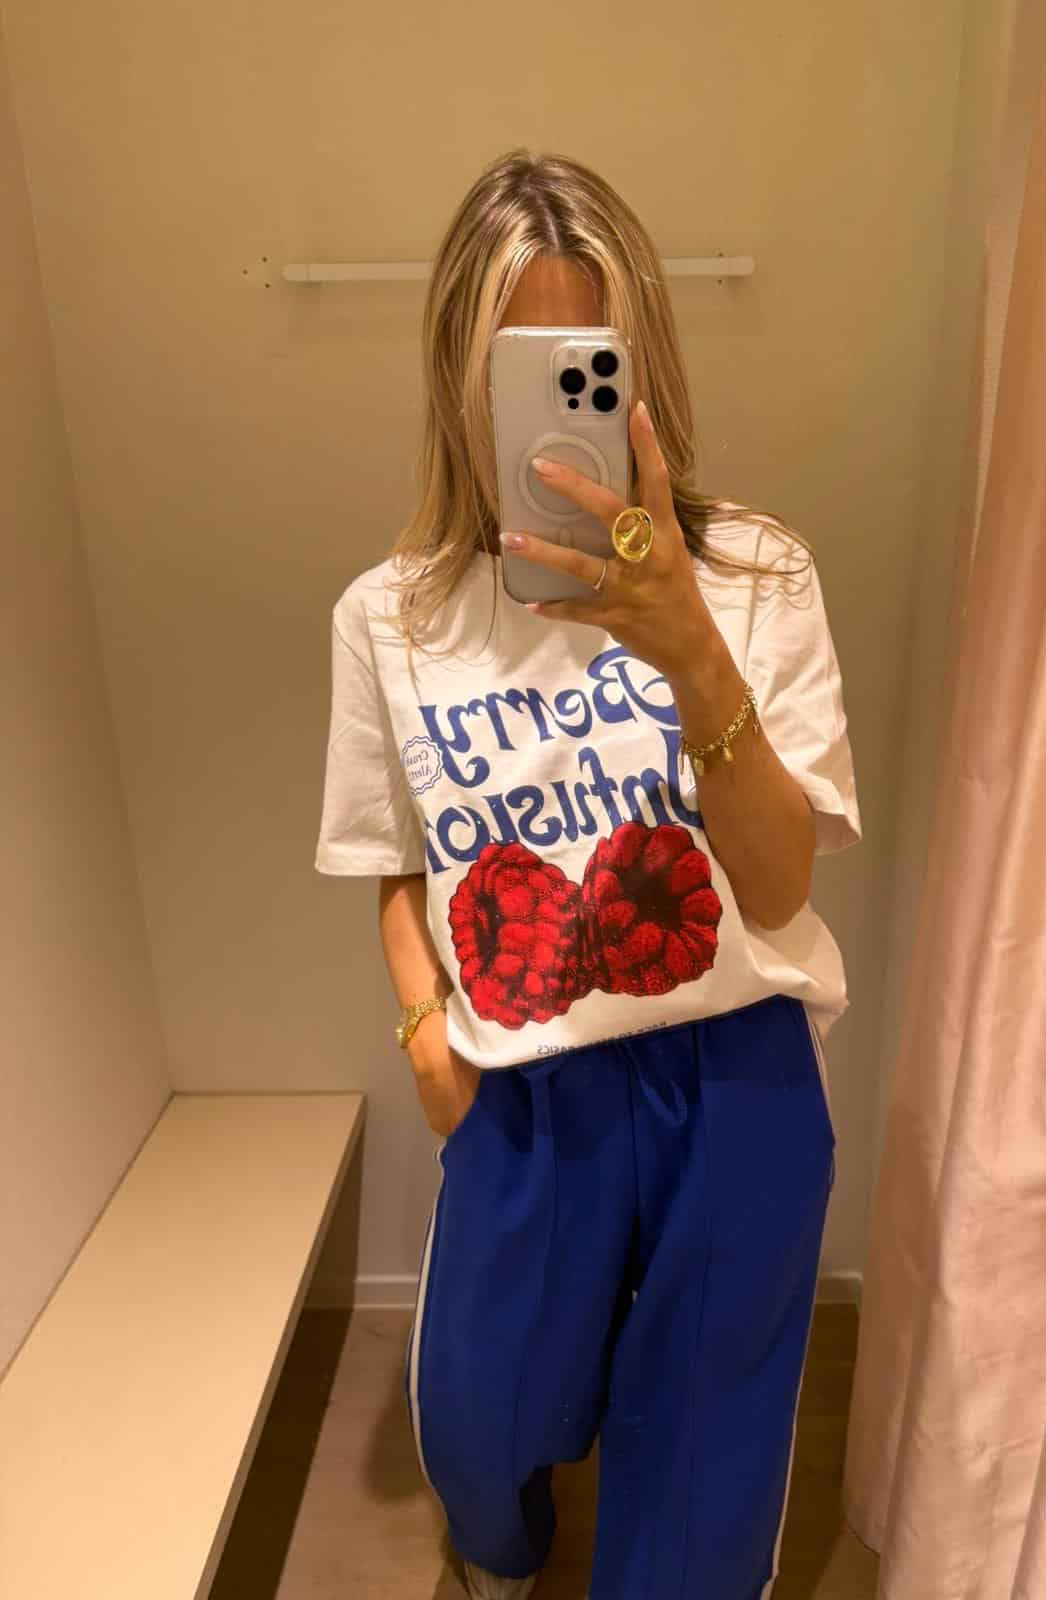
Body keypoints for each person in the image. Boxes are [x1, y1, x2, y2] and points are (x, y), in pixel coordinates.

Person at [315, 147, 862, 1600]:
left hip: (735, 1068)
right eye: (521, 365)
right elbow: (394, 860)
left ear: (644, 361)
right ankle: (502, 1558)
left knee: (702, 1469)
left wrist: (690, 649)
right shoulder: (391, 616)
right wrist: (425, 1034)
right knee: (481, 1420)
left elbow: (777, 888)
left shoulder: (755, 576)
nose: (560, 403)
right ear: (459, 374)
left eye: (589, 361)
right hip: (522, 1081)